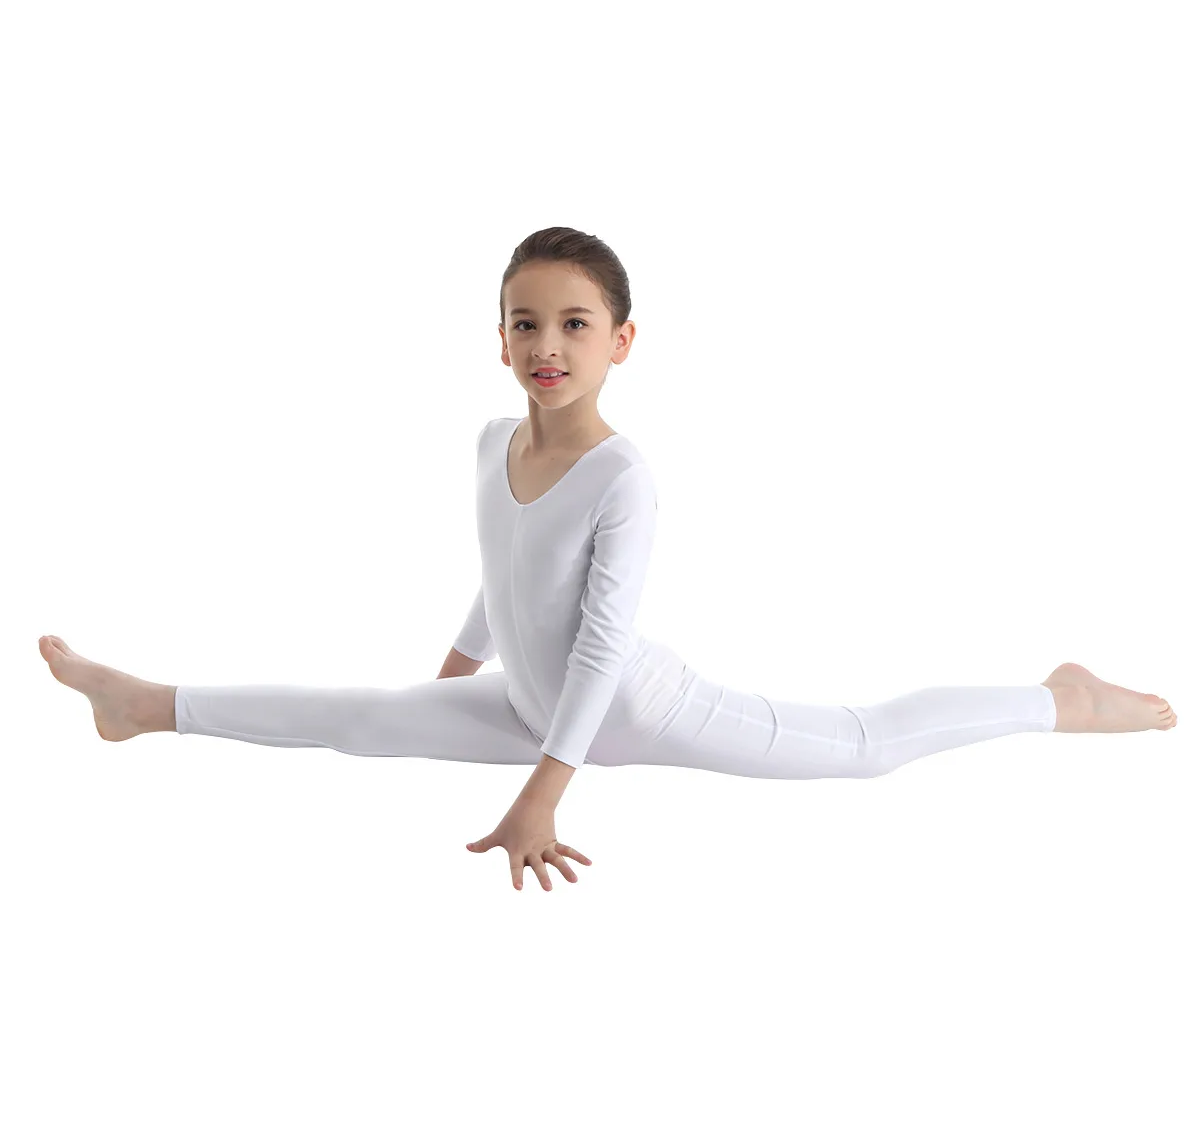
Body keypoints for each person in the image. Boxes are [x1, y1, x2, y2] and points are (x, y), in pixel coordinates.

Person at [39, 226, 1179, 893]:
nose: (548, 345)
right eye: (525, 323)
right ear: (498, 338)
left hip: (631, 704)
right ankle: (147, 705)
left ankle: (1057, 699)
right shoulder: (493, 441)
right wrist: (450, 673)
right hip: (530, 700)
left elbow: (596, 646)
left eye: (575, 324)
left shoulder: (623, 476)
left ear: (621, 341)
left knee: (866, 747)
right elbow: (505, 568)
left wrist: (545, 792)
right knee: (364, 718)